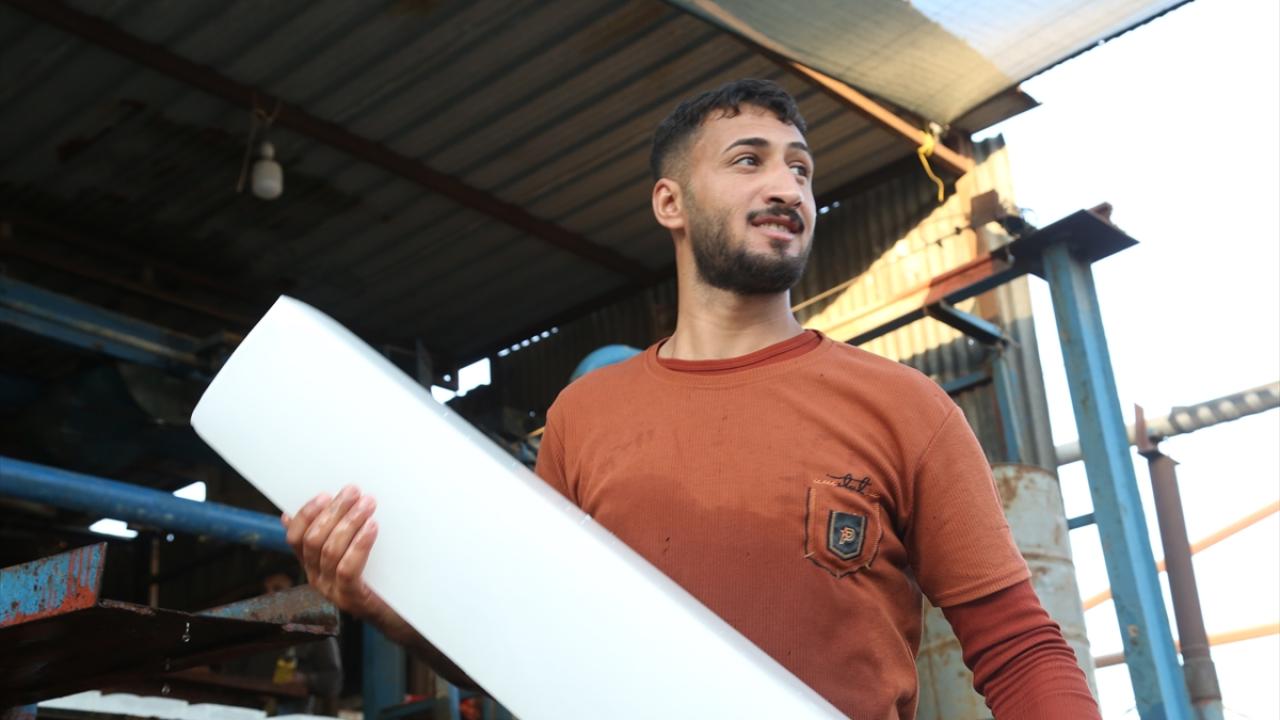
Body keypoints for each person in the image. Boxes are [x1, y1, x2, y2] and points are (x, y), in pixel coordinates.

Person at [282, 79, 1100, 718]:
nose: (787, 186)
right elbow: (529, 645)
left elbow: (1019, 649)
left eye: (800, 168)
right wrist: (384, 606)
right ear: (670, 203)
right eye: (749, 161)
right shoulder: (584, 418)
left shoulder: (907, 408)